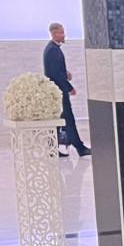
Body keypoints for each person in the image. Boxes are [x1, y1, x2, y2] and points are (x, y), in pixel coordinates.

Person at [43, 23, 92, 158]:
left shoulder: (52, 49)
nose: (63, 35)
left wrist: (65, 72)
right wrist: (69, 87)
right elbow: (54, 74)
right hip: (59, 92)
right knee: (68, 120)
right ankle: (79, 148)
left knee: (61, 121)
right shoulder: (53, 50)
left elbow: (56, 70)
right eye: (60, 33)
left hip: (58, 92)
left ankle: (54, 148)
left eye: (63, 32)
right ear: (53, 33)